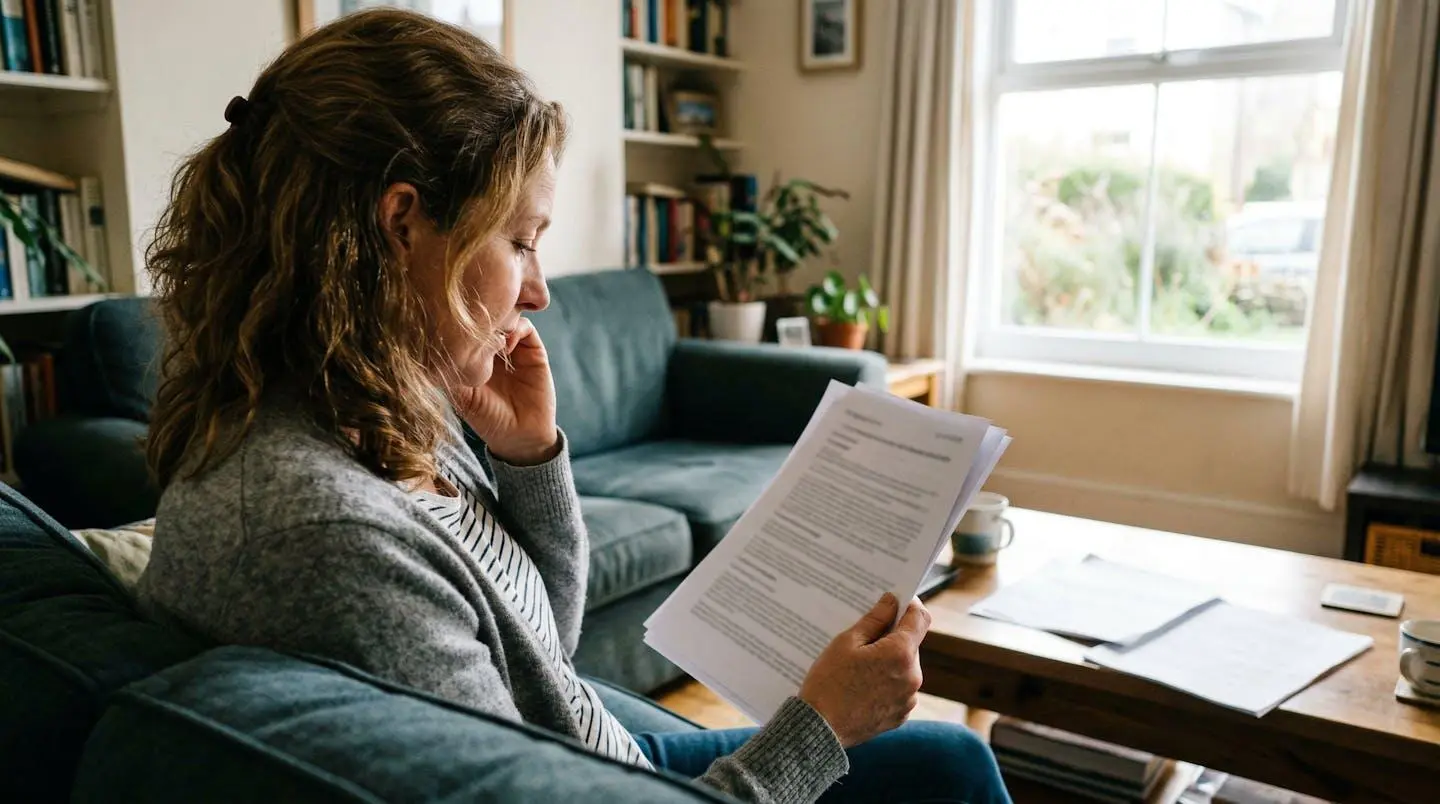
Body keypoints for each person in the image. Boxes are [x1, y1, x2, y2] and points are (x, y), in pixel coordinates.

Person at [135, 9, 1010, 804]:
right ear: (402, 223)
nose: (542, 291)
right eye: (520, 241)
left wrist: (531, 457)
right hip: (595, 777)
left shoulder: (381, 407)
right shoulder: (322, 533)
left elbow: (542, 647)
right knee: (950, 768)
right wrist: (823, 725)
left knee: (952, 762)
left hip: (594, 749)